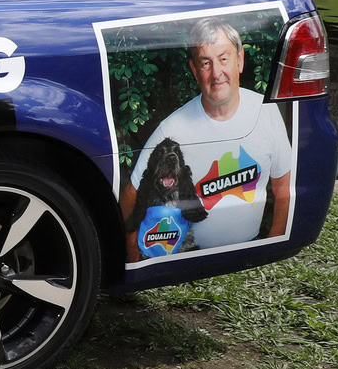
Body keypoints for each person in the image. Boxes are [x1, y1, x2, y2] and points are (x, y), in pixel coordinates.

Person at [117, 16, 293, 254]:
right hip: (189, 256)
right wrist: (134, 260)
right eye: (206, 63)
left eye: (223, 59)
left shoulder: (266, 111)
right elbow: (131, 196)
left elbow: (284, 190)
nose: (217, 72)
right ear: (194, 70)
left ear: (239, 60)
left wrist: (273, 248)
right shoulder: (172, 130)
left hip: (249, 252)